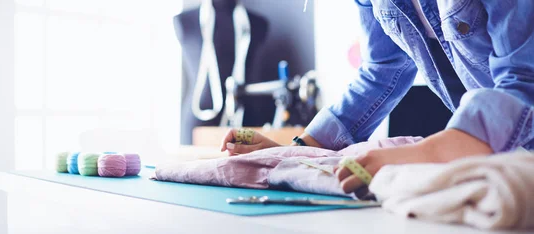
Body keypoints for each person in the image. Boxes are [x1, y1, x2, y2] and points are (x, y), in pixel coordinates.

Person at [220, 0, 534, 198]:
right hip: (505, 165)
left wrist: (424, 155)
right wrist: (302, 149)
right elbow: (383, 69)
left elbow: (522, 78)